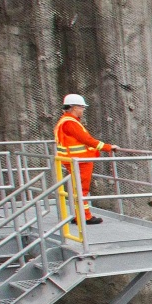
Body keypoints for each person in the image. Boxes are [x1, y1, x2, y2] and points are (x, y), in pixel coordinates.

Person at [53, 94, 113, 224]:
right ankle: (85, 217)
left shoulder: (65, 121)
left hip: (73, 160)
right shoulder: (70, 123)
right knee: (82, 189)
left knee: (78, 188)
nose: (83, 110)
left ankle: (79, 215)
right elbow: (86, 139)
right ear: (74, 108)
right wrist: (108, 147)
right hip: (80, 161)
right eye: (81, 107)